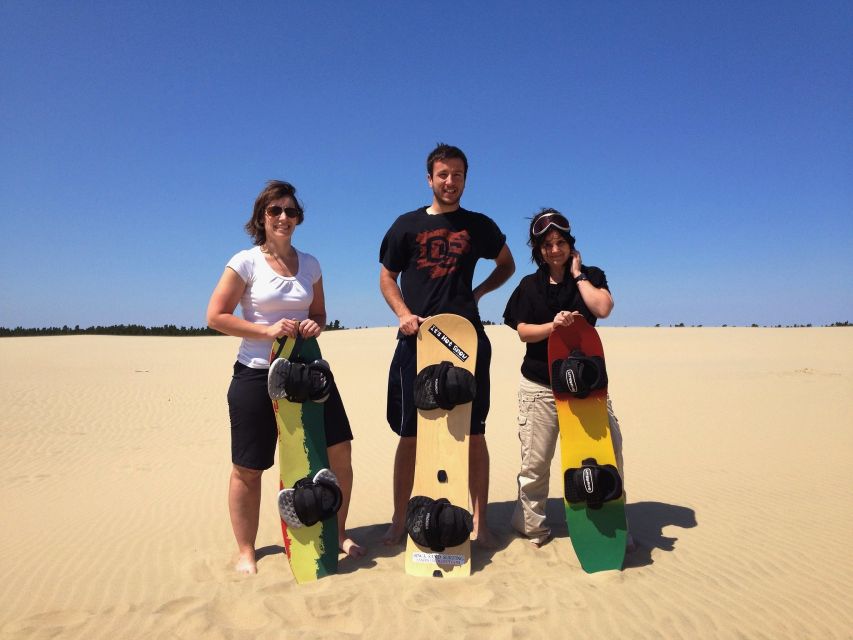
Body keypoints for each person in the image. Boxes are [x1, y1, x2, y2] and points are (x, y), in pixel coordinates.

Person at [207, 180, 364, 574]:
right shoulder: (245, 262)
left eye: (290, 212)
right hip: (256, 374)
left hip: (309, 375)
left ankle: (338, 532)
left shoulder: (310, 264)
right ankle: (247, 549)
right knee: (248, 466)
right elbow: (216, 316)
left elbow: (321, 314)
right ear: (261, 217)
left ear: (299, 218)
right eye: (274, 210)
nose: (283, 218)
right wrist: (266, 330)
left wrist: (314, 326)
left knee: (340, 450)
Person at [378, 143, 515, 547]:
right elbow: (387, 277)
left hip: (466, 341)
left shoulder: (479, 225)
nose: (450, 182)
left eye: (457, 175)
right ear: (429, 178)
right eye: (443, 174)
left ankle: (481, 522)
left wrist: (478, 293)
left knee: (474, 432)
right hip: (416, 339)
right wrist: (403, 313)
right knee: (410, 433)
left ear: (465, 179)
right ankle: (399, 518)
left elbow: (506, 263)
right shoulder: (405, 225)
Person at [502, 208, 633, 549]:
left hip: (587, 390)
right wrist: (553, 327)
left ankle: (611, 525)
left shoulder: (590, 275)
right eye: (547, 245)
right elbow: (523, 332)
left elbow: (602, 308)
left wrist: (578, 276)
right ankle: (531, 527)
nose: (555, 249)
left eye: (560, 242)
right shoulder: (529, 287)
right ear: (538, 250)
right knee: (536, 462)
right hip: (540, 387)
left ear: (571, 245)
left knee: (607, 455)